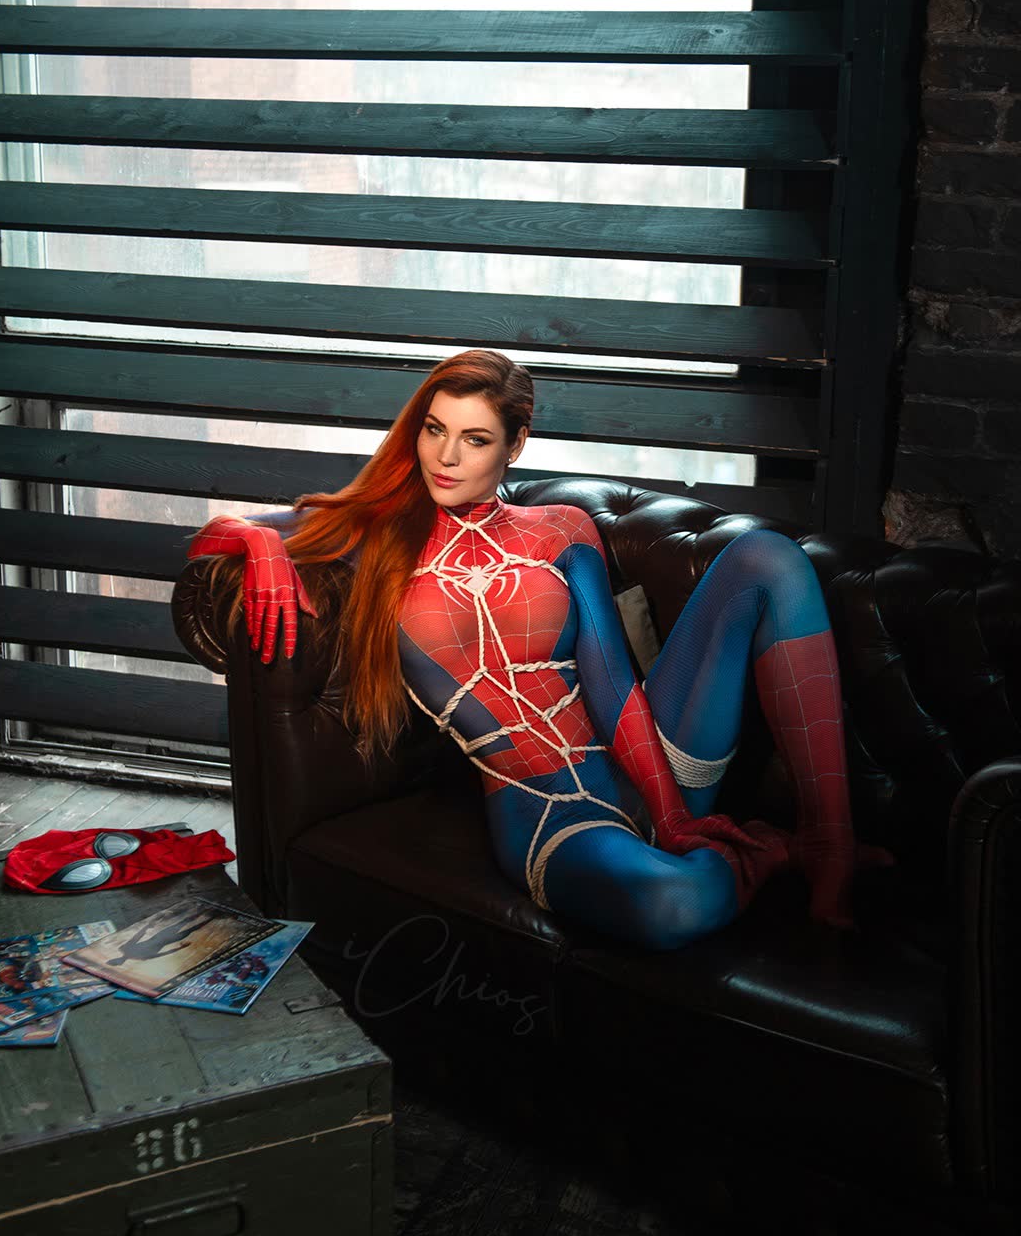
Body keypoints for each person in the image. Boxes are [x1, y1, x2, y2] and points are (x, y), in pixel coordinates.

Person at [189, 350, 885, 950]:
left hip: (651, 760)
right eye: (434, 430)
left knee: (767, 557)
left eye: (475, 439)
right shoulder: (375, 531)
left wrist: (672, 812)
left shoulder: (561, 527)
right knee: (674, 904)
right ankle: (771, 854)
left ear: (514, 445)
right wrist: (262, 545)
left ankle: (828, 842)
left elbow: (609, 679)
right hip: (549, 813)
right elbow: (213, 533)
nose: (446, 457)